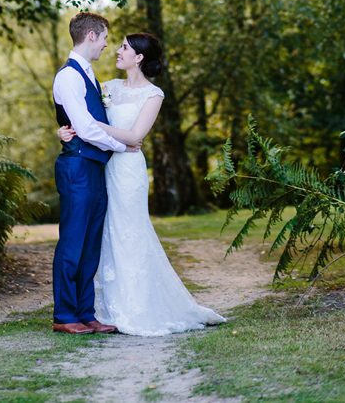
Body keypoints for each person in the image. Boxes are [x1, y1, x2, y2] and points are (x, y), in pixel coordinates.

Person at [57, 30, 226, 336]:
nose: (116, 50)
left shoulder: (153, 94)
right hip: (102, 166)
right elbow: (73, 112)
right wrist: (65, 130)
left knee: (130, 231)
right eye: (117, 44)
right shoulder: (105, 86)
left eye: (123, 47)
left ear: (139, 58)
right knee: (104, 235)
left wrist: (91, 125)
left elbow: (136, 137)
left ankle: (137, 306)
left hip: (129, 170)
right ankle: (101, 308)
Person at [51, 11, 131, 335]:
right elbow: (83, 128)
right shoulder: (68, 76)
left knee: (91, 245)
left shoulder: (92, 78)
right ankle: (65, 316)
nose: (108, 45)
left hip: (95, 167)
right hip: (77, 167)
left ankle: (86, 312)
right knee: (72, 243)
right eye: (106, 38)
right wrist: (123, 146)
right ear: (92, 36)